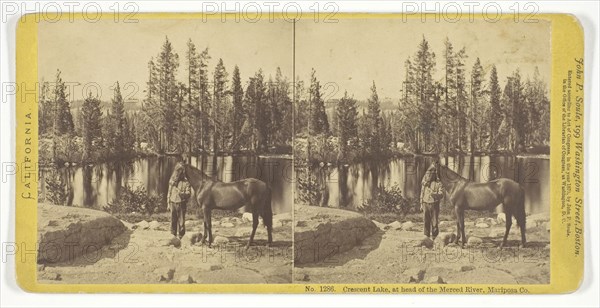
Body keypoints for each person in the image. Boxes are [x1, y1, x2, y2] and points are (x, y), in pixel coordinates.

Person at [420, 167, 444, 239]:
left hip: (434, 204)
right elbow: (422, 193)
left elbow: (441, 194)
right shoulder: (424, 183)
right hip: (425, 203)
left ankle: (434, 237)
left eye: (432, 174)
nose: (429, 175)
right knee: (426, 221)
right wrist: (421, 204)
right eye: (428, 173)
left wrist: (434, 194)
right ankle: (426, 237)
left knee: (434, 222)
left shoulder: (438, 183)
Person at [167, 172, 192, 239]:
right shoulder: (173, 181)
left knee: (181, 221)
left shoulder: (186, 182)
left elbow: (189, 193)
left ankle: (181, 237)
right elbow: (169, 191)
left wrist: (182, 194)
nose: (178, 175)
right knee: (173, 220)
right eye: (177, 174)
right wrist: (168, 203)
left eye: (180, 174)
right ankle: (173, 236)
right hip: (173, 202)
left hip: (181, 203)